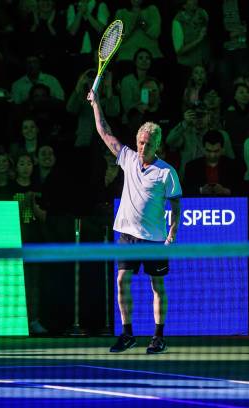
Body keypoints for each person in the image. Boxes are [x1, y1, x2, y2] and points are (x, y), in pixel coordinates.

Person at [88, 87, 182, 355]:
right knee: (121, 281)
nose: (142, 147)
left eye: (148, 143)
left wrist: (172, 235)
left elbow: (176, 206)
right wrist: (96, 103)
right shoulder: (127, 158)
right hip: (127, 236)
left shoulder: (167, 173)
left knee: (157, 286)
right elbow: (104, 132)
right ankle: (128, 334)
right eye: (140, 142)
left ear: (157, 145)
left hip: (153, 239)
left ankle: (158, 336)